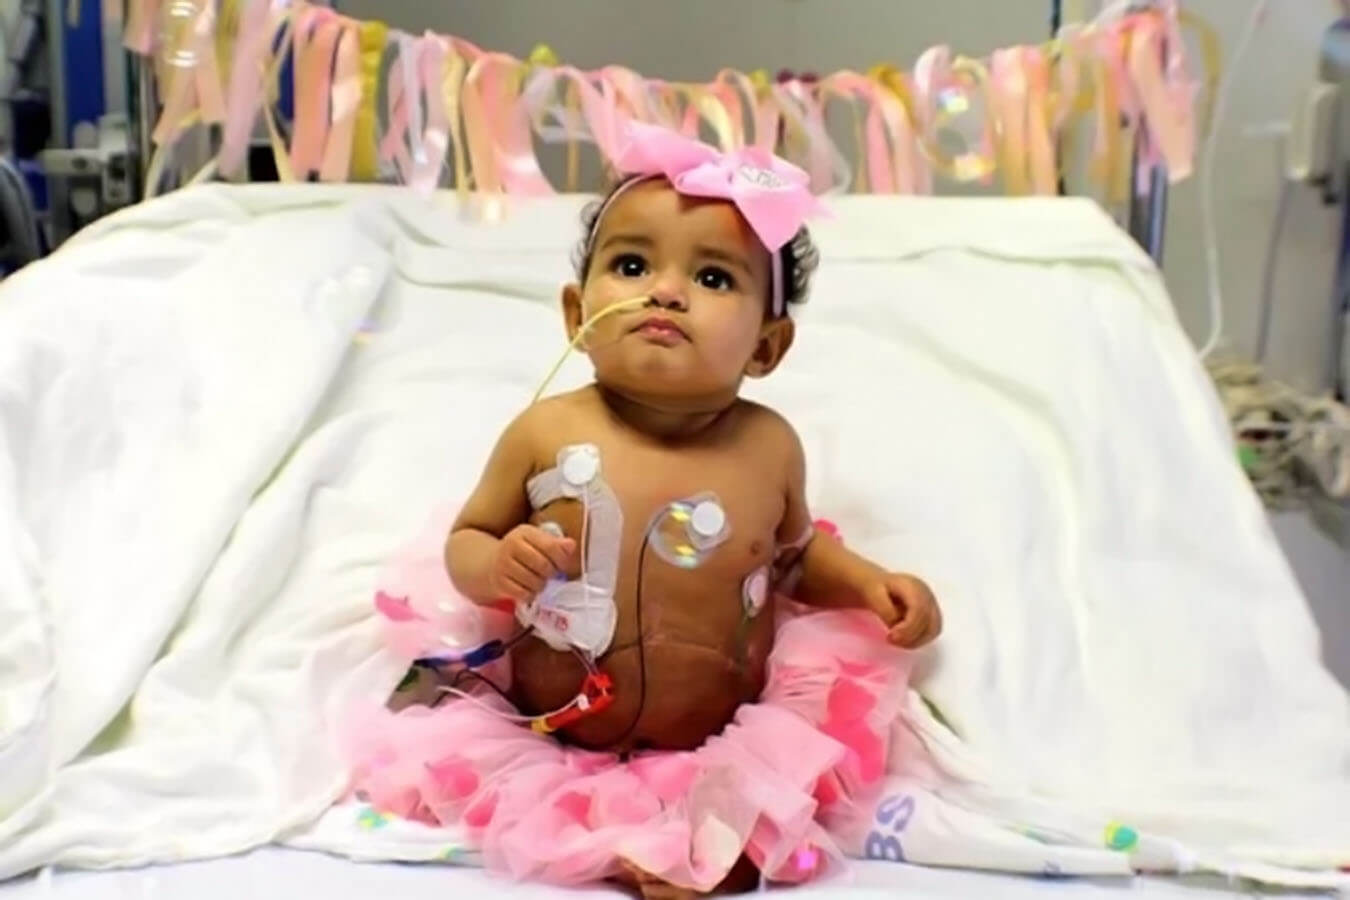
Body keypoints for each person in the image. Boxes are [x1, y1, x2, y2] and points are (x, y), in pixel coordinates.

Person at [348, 123, 942, 899]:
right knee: (505, 785)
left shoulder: (768, 447)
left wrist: (870, 584)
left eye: (715, 279)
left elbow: (791, 557)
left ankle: (702, 838)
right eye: (631, 264)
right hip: (551, 733)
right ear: (575, 314)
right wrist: (496, 564)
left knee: (763, 799)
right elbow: (468, 540)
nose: (664, 291)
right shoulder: (546, 430)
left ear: (768, 347)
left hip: (720, 737)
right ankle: (618, 837)